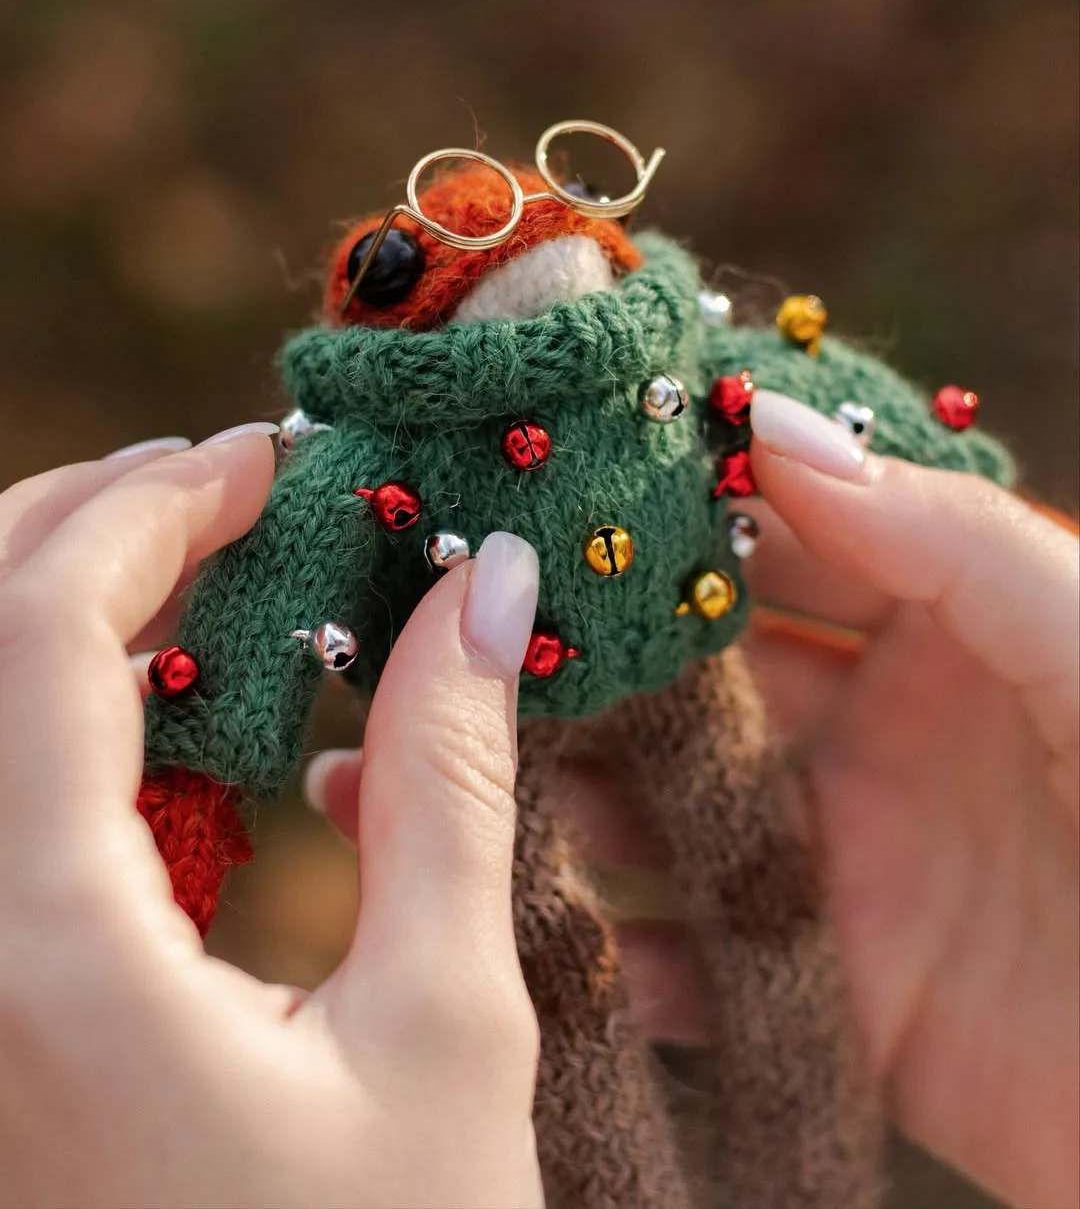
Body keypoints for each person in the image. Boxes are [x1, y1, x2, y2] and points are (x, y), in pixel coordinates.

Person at [0, 391, 1075, 1209]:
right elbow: (282, 576)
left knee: (727, 897)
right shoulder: (376, 426)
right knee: (564, 968)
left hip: (679, 654)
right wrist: (198, 774)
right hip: (617, 678)